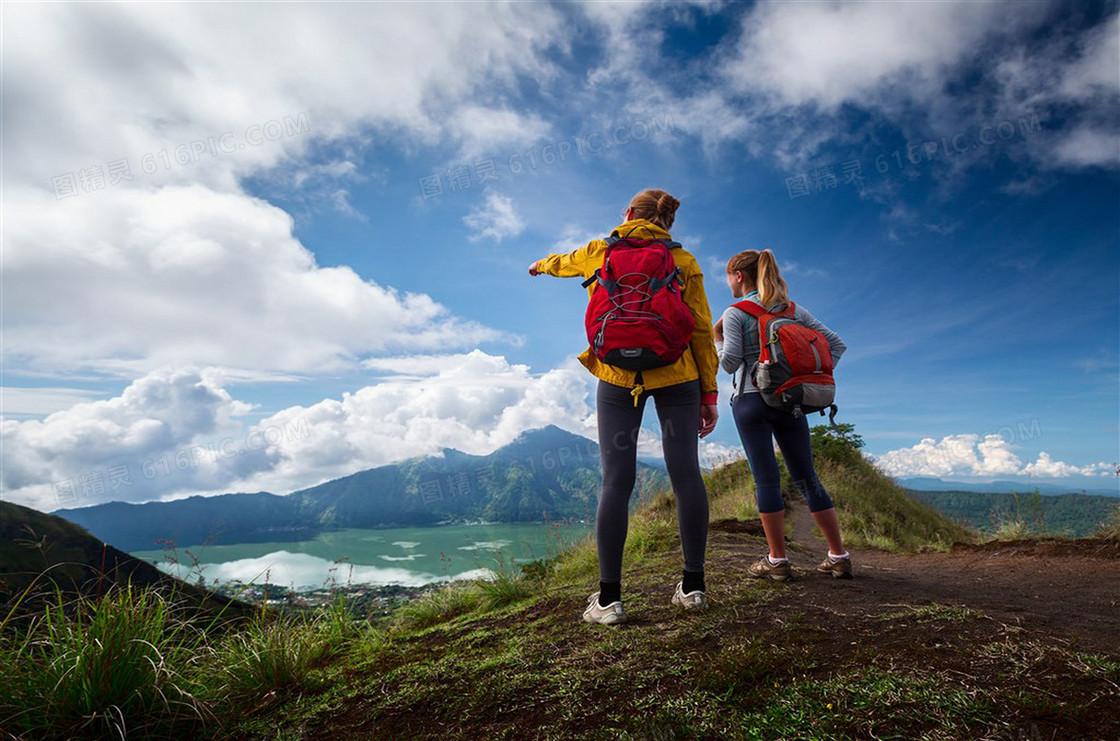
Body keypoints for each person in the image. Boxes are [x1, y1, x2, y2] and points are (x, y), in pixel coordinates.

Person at [529, 188, 720, 624]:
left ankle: (609, 600)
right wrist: (708, 393)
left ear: (629, 213)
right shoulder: (684, 262)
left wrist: (540, 265)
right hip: (679, 375)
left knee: (616, 482)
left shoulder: (602, 250)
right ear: (667, 222)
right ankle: (693, 589)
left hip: (616, 376)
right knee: (687, 475)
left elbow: (562, 263)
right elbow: (702, 330)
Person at [714, 249, 852, 580]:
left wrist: (718, 338)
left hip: (751, 401)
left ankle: (777, 561)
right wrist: (803, 375)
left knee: (766, 479)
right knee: (807, 477)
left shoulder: (735, 313)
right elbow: (836, 345)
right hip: (790, 400)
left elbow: (730, 363)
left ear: (739, 276)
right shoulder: (792, 309)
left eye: (728, 276)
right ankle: (838, 555)